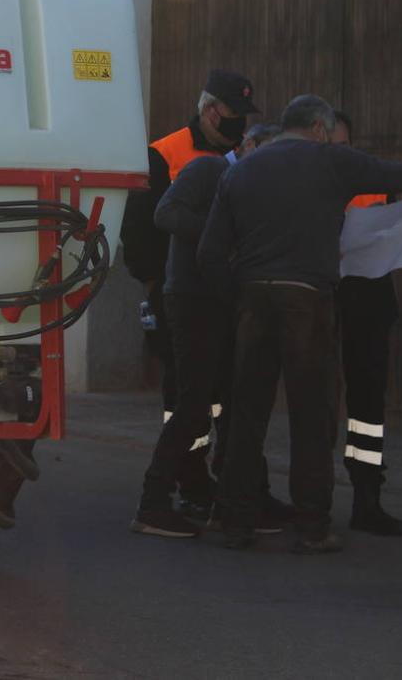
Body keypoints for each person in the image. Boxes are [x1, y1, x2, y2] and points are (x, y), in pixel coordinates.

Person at [198, 94, 402, 553]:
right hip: (307, 298)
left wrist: (237, 295)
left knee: (247, 414)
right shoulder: (329, 160)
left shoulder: (239, 171)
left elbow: (208, 253)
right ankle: (312, 525)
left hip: (253, 298)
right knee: (312, 414)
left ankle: (235, 520)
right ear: (320, 129)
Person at [130, 121, 288, 538]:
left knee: (236, 403)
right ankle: (154, 502)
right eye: (268, 154)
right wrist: (223, 233)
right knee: (193, 404)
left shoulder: (258, 189)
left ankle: (238, 498)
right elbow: (165, 213)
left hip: (226, 304)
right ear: (248, 145)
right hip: (192, 301)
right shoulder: (209, 171)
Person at [120, 69, 259, 518]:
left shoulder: (239, 155)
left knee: (218, 389)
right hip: (178, 291)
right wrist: (153, 282)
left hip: (223, 292)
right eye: (232, 114)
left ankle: (214, 478)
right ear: (208, 109)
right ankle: (188, 476)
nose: (237, 123)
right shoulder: (166, 153)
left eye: (242, 116)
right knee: (184, 392)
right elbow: (139, 227)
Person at [331, 111, 402, 537]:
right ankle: (310, 499)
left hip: (368, 307)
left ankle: (367, 498)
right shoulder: (305, 182)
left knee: (367, 411)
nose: (341, 156)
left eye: (346, 147)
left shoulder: (377, 183)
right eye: (333, 148)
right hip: (320, 302)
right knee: (316, 405)